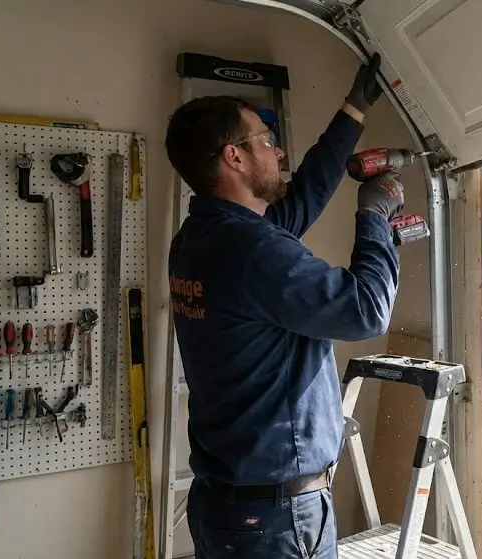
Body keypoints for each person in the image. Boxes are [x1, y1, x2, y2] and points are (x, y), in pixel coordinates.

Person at [164, 54, 403, 559]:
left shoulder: (201, 237)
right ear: (234, 157)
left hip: (231, 506)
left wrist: (354, 109)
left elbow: (303, 198)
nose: (278, 151)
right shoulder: (253, 252)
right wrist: (376, 218)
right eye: (266, 142)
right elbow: (366, 311)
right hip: (274, 521)